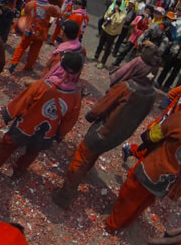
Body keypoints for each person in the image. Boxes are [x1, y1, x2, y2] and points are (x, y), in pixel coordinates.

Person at [105, 85, 181, 232]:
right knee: (145, 202)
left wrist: (147, 142)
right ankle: (125, 224)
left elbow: (153, 135)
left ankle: (112, 225)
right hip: (171, 183)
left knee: (129, 196)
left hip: (153, 169)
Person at [0, 52, 84, 184]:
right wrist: (60, 134)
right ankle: (18, 171)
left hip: (25, 127)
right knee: (31, 153)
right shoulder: (76, 95)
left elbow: (23, 100)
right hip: (46, 133)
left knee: (6, 147)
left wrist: (9, 113)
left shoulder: (43, 85)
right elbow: (71, 119)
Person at [53, 70, 156, 210]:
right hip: (119, 135)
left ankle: (64, 197)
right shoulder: (151, 94)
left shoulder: (126, 88)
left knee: (81, 159)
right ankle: (84, 173)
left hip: (102, 132)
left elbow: (102, 106)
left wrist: (91, 115)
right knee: (92, 155)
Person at [8, 0, 60, 74]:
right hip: (41, 33)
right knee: (34, 51)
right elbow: (58, 14)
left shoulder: (31, 3)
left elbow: (25, 12)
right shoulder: (50, 8)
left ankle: (14, 62)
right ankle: (28, 66)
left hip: (29, 30)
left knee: (21, 47)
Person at [95, 0, 126, 68]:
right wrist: (110, 14)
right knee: (101, 43)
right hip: (105, 28)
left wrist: (117, 11)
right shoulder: (111, 7)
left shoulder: (123, 13)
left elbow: (118, 21)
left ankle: (103, 62)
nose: (117, 5)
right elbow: (105, 16)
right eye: (117, 3)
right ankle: (96, 55)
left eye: (119, 3)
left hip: (113, 32)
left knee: (108, 48)